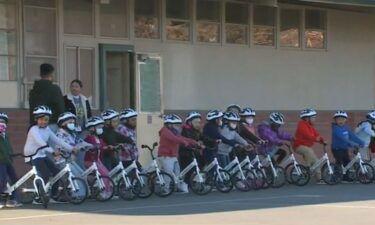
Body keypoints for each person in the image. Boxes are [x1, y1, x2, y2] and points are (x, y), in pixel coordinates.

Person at [24, 106, 77, 203]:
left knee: (57, 173)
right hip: (32, 155)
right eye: (41, 119)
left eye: (46, 120)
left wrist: (71, 148)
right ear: (36, 119)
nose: (43, 122)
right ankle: (39, 197)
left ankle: (53, 195)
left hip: (42, 154)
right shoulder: (33, 129)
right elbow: (40, 142)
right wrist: (52, 151)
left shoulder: (47, 129)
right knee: (45, 174)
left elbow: (57, 140)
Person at [158, 114, 198, 193]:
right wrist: (184, 142)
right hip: (166, 156)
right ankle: (165, 189)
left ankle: (176, 186)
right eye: (176, 125)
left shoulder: (173, 132)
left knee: (178, 172)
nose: (178, 127)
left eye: (178, 125)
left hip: (173, 155)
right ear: (169, 124)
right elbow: (175, 139)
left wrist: (194, 142)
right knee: (168, 173)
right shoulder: (165, 131)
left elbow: (181, 137)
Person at [29, 63, 65, 131]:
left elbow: (32, 110)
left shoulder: (33, 91)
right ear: (51, 74)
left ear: (40, 74)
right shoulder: (54, 89)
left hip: (36, 125)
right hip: (52, 125)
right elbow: (60, 109)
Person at [293, 109, 327, 181]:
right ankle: (306, 168)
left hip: (307, 147)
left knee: (316, 161)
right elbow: (307, 135)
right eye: (313, 118)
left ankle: (319, 179)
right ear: (306, 118)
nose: (314, 119)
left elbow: (317, 135)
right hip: (298, 146)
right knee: (309, 151)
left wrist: (322, 141)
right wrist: (316, 139)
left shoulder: (311, 127)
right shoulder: (301, 125)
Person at [331, 111, 364, 181]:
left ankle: (345, 177)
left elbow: (353, 136)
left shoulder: (346, 127)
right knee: (339, 162)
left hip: (344, 148)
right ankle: (334, 177)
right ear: (335, 120)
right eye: (339, 119)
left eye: (343, 119)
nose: (341, 121)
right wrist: (353, 144)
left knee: (347, 162)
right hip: (336, 148)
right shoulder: (336, 129)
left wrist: (361, 142)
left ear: (345, 120)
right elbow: (343, 138)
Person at [84, 117, 112, 196]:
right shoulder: (89, 138)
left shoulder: (99, 139)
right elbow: (91, 146)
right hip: (90, 161)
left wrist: (110, 147)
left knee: (107, 174)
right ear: (92, 128)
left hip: (97, 160)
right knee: (105, 174)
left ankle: (106, 191)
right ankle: (103, 192)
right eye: (99, 127)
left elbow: (103, 146)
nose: (101, 129)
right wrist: (96, 146)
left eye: (101, 127)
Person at [179, 112, 210, 184]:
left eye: (199, 122)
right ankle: (187, 182)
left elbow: (204, 137)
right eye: (196, 122)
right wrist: (198, 145)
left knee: (202, 162)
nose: (198, 124)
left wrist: (213, 141)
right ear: (189, 122)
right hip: (186, 153)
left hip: (194, 152)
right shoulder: (185, 131)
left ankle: (194, 180)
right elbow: (188, 141)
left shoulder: (197, 131)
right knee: (189, 168)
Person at [0, 112, 22, 208]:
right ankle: (1, 200)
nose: (2, 123)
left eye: (3, 122)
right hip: (1, 162)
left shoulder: (6, 135)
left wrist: (11, 155)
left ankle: (13, 199)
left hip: (7, 161)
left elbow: (8, 148)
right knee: (2, 181)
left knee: (15, 179)